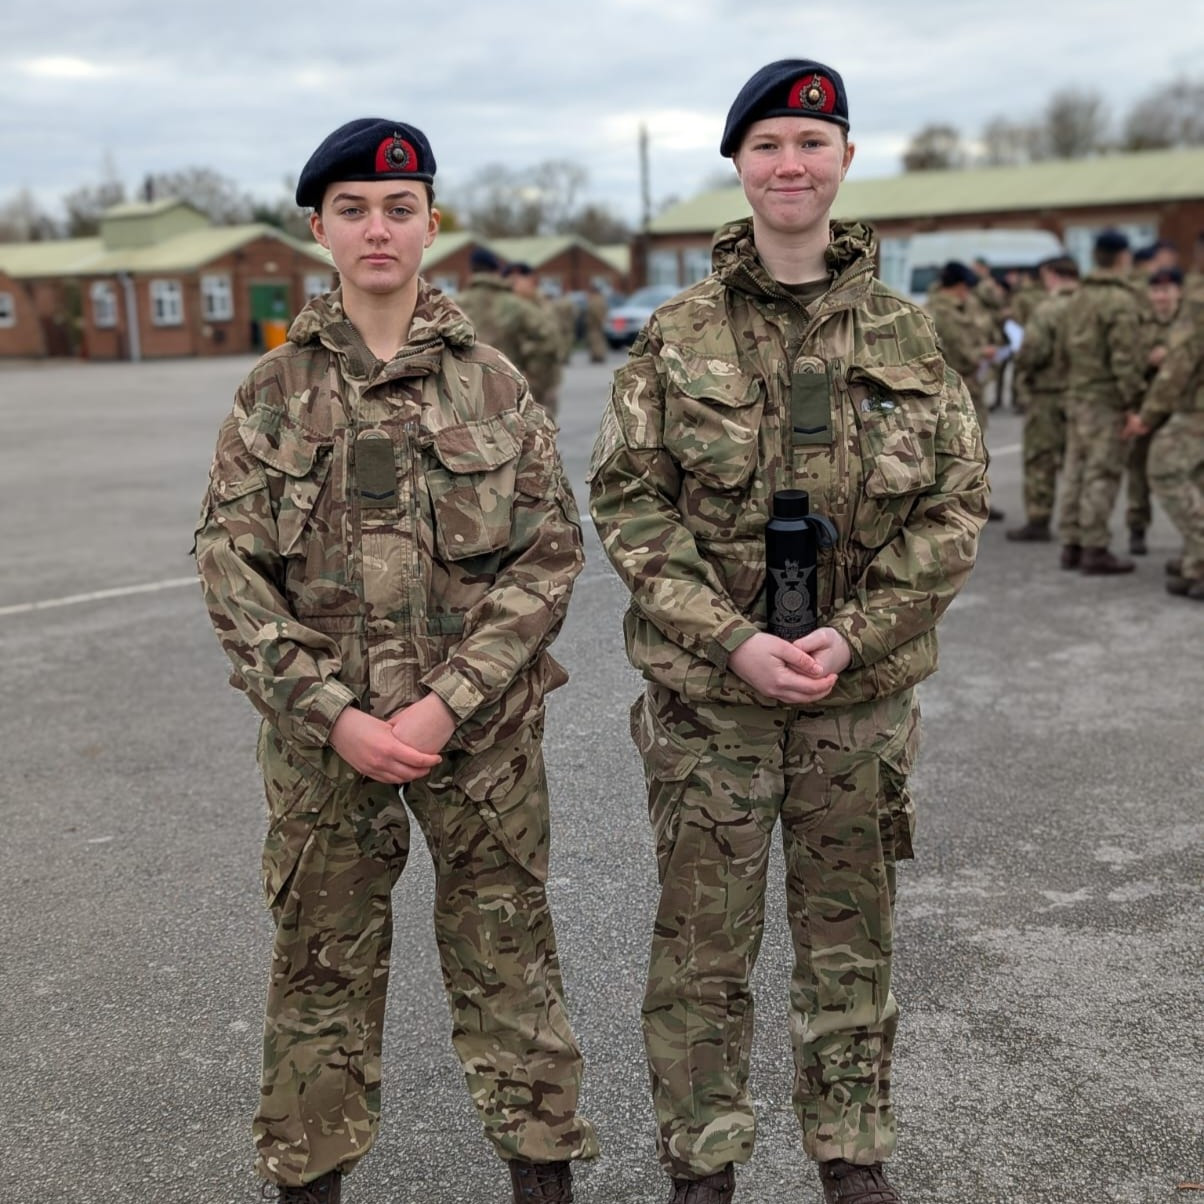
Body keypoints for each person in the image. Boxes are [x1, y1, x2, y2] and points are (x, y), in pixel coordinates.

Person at [588, 59, 988, 1204]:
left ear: (846, 160)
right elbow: (627, 500)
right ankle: (702, 1160)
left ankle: (849, 1149)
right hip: (710, 706)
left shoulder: (909, 337)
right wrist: (729, 637)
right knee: (701, 952)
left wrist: (853, 636)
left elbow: (956, 505)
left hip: (853, 706)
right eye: (766, 144)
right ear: (738, 167)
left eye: (812, 142)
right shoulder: (674, 338)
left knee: (850, 939)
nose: (790, 164)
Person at [193, 117, 598, 1204]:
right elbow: (230, 568)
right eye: (356, 210)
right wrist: (332, 711)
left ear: (431, 224)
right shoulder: (270, 394)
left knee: (507, 957)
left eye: (401, 207)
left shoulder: (494, 385)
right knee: (320, 970)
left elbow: (548, 554)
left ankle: (541, 1174)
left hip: (479, 744)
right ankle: (310, 1183)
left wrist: (444, 705)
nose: (379, 229)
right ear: (317, 229)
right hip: (325, 751)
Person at [1055, 229, 1145, 574]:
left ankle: (1071, 544)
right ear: (1123, 257)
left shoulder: (1076, 297)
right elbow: (1126, 358)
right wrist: (1133, 401)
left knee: (1076, 470)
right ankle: (1095, 548)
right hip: (1105, 399)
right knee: (1102, 473)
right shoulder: (1120, 301)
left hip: (1077, 395)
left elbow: (1062, 351)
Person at [1123, 274, 1204, 600]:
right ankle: (1195, 562)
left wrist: (1147, 416)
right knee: (1196, 478)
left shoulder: (1197, 304)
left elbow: (1177, 370)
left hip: (1194, 411)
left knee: (1164, 469)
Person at [1006, 256, 1080, 542]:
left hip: (1048, 395)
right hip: (1084, 395)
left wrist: (1022, 366)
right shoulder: (1090, 304)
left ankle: (1039, 519)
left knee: (1041, 458)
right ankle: (1081, 524)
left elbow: (1032, 352)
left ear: (1051, 275)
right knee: (1077, 460)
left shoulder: (1048, 309)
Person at [928, 260, 1005, 519]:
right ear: (960, 286)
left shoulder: (961, 307)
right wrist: (982, 353)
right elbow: (961, 352)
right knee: (962, 448)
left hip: (971, 385)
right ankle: (964, 503)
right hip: (956, 388)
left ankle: (974, 498)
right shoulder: (943, 312)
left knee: (971, 446)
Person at [457, 250, 564, 421]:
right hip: (508, 395)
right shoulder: (515, 305)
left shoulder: (453, 305)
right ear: (496, 271)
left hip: (464, 397)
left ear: (471, 271)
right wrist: (532, 380)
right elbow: (549, 339)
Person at [1126, 266, 1183, 554]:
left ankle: (1192, 538)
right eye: (1156, 291)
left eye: (1166, 290)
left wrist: (1171, 358)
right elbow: (1126, 363)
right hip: (1145, 408)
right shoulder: (1140, 324)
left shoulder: (1188, 324)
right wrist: (1147, 361)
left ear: (1178, 292)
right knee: (1138, 469)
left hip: (1180, 410)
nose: (1161, 297)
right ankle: (1137, 526)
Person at [503, 261, 565, 419]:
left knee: (544, 422)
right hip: (515, 375)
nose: (514, 284)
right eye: (511, 280)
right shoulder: (506, 305)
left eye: (519, 279)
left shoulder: (541, 304)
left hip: (543, 376)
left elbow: (553, 339)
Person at [585, 283, 609, 362]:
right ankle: (598, 355)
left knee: (595, 340)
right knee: (599, 339)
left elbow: (596, 312)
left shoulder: (594, 300)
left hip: (594, 324)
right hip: (598, 323)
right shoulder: (602, 299)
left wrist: (600, 321)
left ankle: (597, 356)